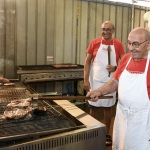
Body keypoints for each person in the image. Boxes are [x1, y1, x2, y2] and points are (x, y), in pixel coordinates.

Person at [86, 27, 150, 150]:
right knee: (121, 145)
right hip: (122, 116)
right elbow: (115, 81)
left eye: (136, 44)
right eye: (129, 43)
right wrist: (99, 91)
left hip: (143, 122)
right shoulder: (126, 59)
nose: (131, 48)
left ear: (148, 44)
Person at [83, 21, 125, 146]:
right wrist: (85, 80)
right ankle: (92, 132)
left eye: (108, 29)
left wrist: (115, 67)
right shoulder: (94, 43)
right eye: (103, 29)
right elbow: (87, 62)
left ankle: (106, 133)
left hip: (110, 81)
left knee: (108, 108)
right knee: (93, 107)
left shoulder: (118, 44)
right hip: (95, 81)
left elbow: (124, 62)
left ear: (113, 30)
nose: (105, 31)